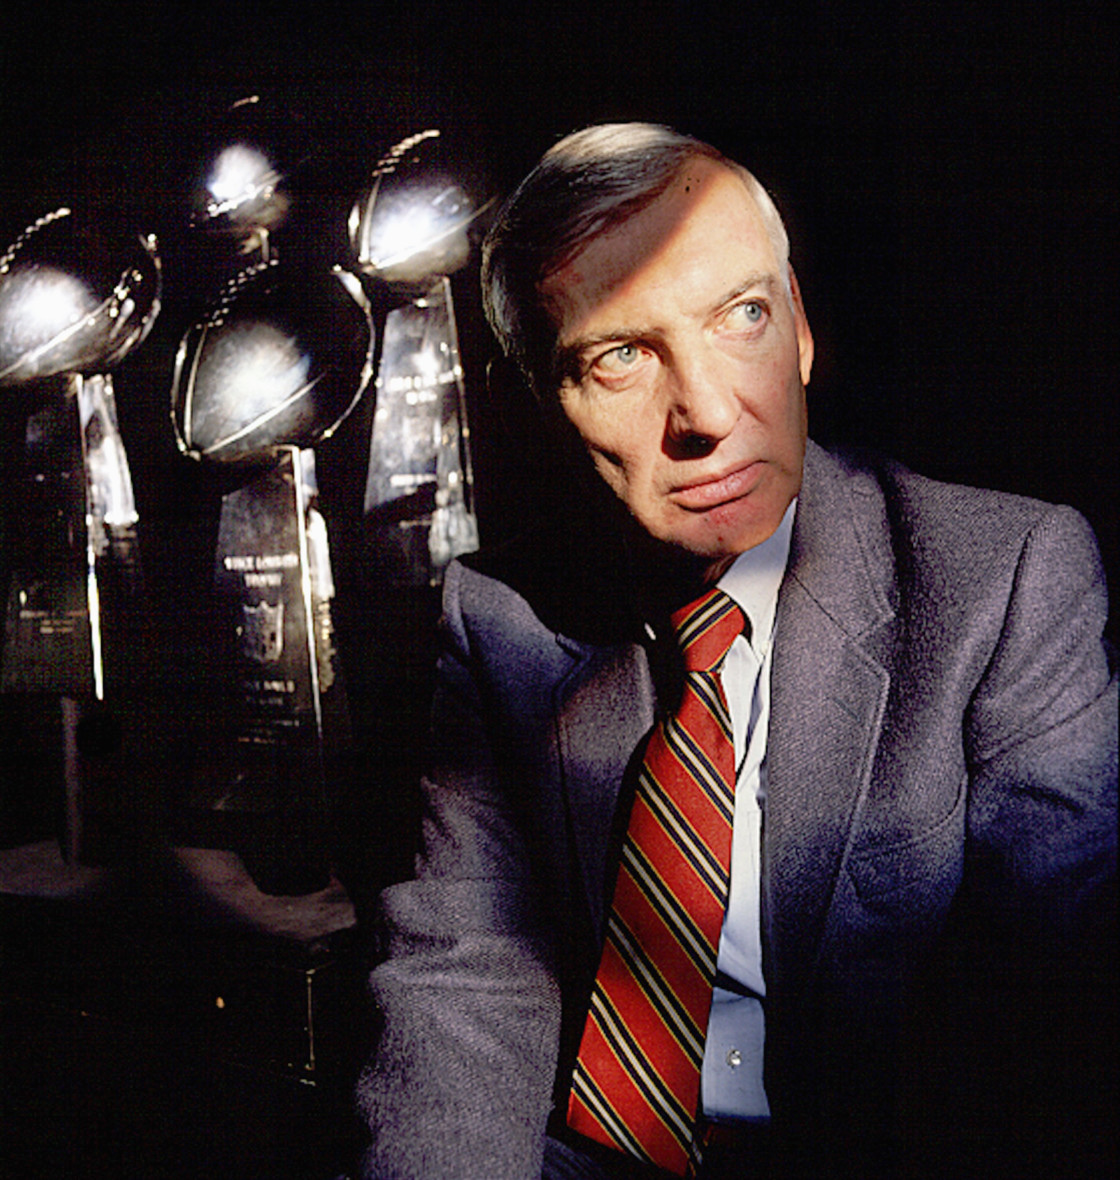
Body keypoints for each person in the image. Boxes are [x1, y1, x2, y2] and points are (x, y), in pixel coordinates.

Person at [353, 123, 1116, 1179]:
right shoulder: (502, 615)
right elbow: (465, 984)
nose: (710, 415)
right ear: (542, 399)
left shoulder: (1004, 578)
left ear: (799, 327)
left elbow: (1040, 1018)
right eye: (620, 356)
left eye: (742, 317)